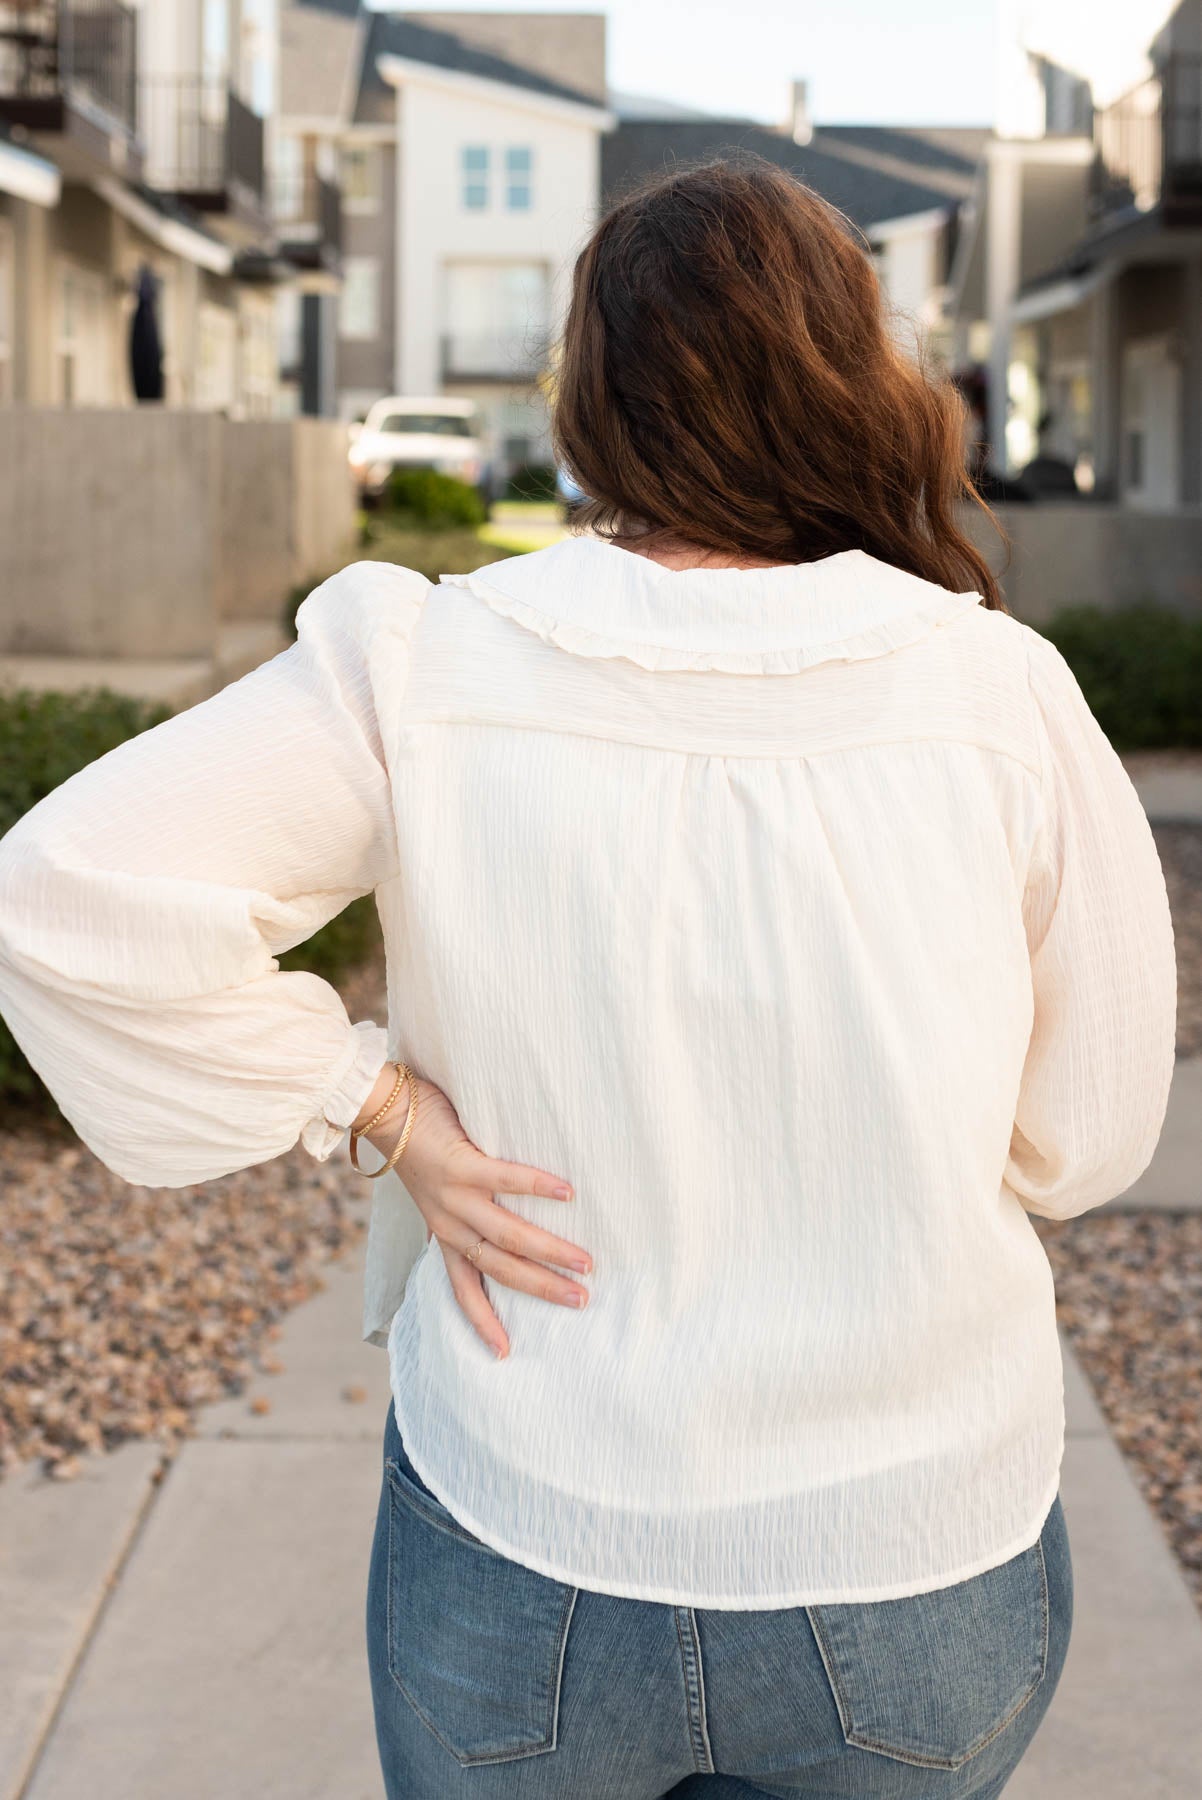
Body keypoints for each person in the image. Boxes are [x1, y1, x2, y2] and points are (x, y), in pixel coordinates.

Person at [0, 157, 1177, 1798]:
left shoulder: (424, 663)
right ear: (856, 381)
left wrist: (379, 1105)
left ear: (597, 399)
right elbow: (1085, 1137)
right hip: (914, 1550)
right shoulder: (993, 693)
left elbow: (63, 895)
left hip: (528, 1533)